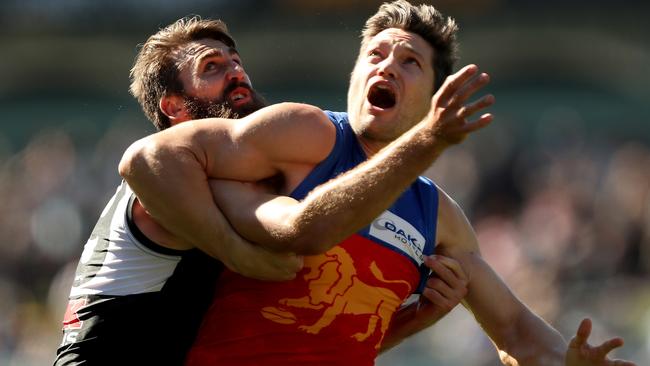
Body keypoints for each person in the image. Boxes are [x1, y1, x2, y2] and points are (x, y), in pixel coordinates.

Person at [119, 1, 636, 366]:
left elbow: (520, 336)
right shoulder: (303, 131)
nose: (387, 65)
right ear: (354, 74)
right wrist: (236, 250)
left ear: (432, 94)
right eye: (375, 54)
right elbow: (150, 158)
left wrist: (567, 362)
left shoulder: (439, 217)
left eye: (409, 61)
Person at [54, 15, 470, 366]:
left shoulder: (228, 179)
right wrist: (238, 254)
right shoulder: (173, 181)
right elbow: (140, 160)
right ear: (175, 108)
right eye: (211, 67)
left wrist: (411, 319)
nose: (236, 72)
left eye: (236, 62)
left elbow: (307, 337)